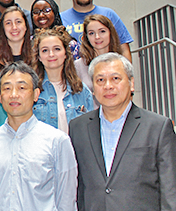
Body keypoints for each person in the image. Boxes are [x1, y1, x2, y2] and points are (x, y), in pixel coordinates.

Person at [69, 52, 176, 210]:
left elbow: (170, 190)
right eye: (100, 80)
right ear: (92, 87)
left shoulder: (158, 127)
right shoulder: (78, 127)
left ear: (131, 83)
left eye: (115, 78)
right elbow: (79, 187)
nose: (108, 86)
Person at [0, 62, 78, 210]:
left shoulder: (57, 140)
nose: (14, 95)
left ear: (36, 94)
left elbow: (67, 199)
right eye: (7, 88)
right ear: (0, 96)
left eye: (22, 88)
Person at [60, 0, 133, 61]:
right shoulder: (60, 19)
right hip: (74, 74)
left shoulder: (109, 15)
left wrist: (128, 75)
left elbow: (124, 49)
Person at [32, 26, 94, 133]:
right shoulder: (32, 91)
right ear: (39, 57)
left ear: (65, 54)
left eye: (57, 49)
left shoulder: (81, 90)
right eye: (45, 50)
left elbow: (92, 131)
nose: (51, 54)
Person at [74, 14, 124, 101]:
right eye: (91, 33)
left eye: (102, 31)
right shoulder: (78, 66)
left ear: (110, 33)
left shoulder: (121, 63)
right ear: (86, 37)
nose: (97, 37)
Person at [0, 6, 33, 72]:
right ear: (3, 28)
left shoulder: (38, 55)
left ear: (26, 26)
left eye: (18, 22)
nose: (14, 27)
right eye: (8, 23)